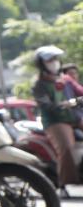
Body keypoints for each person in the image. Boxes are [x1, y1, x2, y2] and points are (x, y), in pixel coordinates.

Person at [30, 46, 81, 192]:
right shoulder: (38, 84)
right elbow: (46, 105)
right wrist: (63, 105)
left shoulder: (66, 79)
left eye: (55, 59)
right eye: (50, 60)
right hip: (55, 121)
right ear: (41, 64)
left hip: (74, 116)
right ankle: (64, 183)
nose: (54, 62)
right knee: (66, 148)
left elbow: (80, 91)